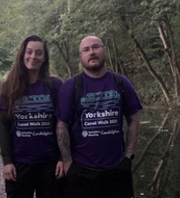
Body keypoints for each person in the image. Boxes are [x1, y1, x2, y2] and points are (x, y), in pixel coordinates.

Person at [57, 36, 142, 198]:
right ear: (81, 56)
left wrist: (129, 155)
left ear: (104, 50)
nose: (92, 52)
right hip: (81, 171)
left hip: (117, 169)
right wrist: (67, 160)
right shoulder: (71, 86)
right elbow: (62, 125)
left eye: (96, 47)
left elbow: (134, 118)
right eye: (86, 50)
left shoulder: (121, 83)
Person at [0, 36, 63, 198]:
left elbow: (64, 125)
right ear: (22, 55)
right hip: (19, 165)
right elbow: (4, 128)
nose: (33, 56)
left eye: (39, 53)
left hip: (51, 165)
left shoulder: (55, 86)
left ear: (44, 58)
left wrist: (63, 158)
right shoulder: (9, 87)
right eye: (29, 52)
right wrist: (7, 162)